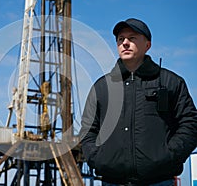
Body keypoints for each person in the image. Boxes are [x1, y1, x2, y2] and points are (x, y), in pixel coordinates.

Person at [80, 18, 197, 186]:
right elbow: (88, 129)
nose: (125, 43)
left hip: (159, 181)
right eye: (121, 39)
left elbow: (190, 124)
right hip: (112, 181)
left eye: (132, 38)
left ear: (147, 45)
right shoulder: (101, 88)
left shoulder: (170, 82)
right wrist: (98, 158)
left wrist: (169, 156)